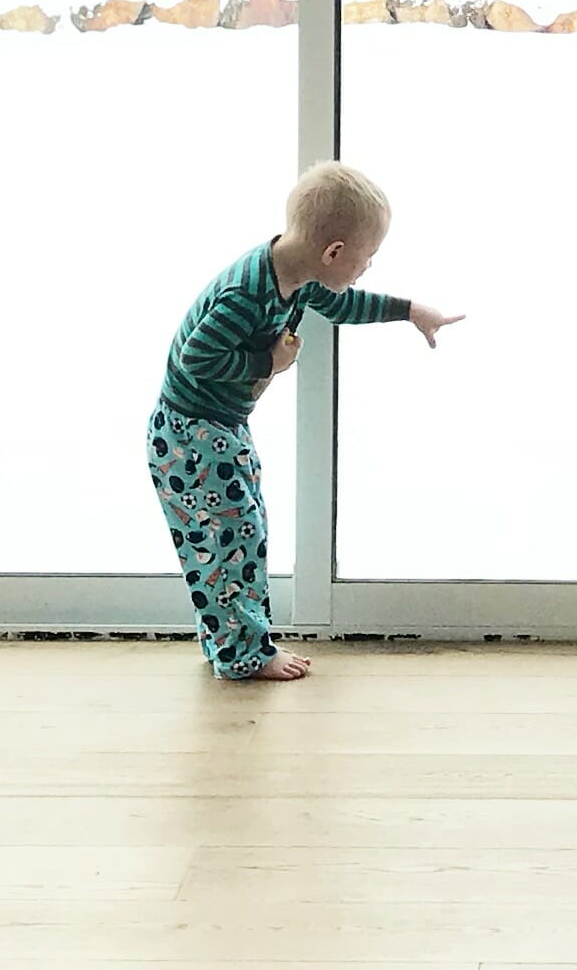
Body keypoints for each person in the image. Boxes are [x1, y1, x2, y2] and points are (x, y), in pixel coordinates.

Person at [148, 160, 459, 683]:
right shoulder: (248, 293)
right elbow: (194, 358)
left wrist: (409, 311)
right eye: (367, 257)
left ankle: (230, 643)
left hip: (211, 428)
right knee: (233, 541)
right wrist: (268, 362)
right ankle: (244, 655)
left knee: (233, 537)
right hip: (191, 434)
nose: (366, 268)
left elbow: (345, 305)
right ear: (333, 252)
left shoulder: (294, 276)